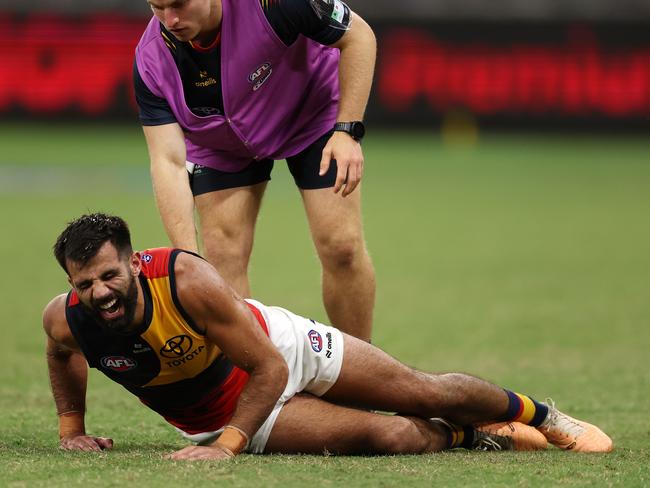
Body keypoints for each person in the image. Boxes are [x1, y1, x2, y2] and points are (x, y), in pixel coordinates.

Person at [44, 214, 613, 459]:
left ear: (135, 265)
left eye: (110, 276)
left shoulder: (185, 280)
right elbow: (59, 350)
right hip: (231, 412)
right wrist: (73, 428)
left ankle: (543, 417)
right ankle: (479, 438)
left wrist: (224, 453)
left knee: (425, 391)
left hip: (280, 348)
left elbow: (268, 368)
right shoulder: (67, 318)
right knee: (391, 439)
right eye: (85, 283)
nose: (100, 293)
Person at [134, 0, 376, 341]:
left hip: (311, 115)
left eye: (179, 4)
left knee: (341, 246)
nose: (170, 19)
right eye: (158, 7)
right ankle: (257, 377)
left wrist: (348, 131)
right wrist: (187, 258)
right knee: (220, 258)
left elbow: (359, 37)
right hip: (221, 141)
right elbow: (168, 163)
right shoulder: (150, 60)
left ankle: (363, 375)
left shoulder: (273, 3)